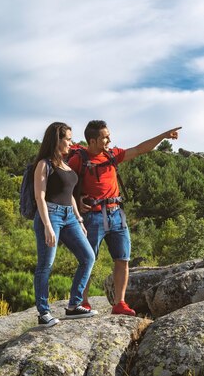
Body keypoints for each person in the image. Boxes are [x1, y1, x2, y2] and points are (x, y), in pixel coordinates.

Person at [68, 120, 181, 315]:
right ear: (92, 140)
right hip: (92, 217)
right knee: (87, 260)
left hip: (117, 214)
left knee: (123, 259)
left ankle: (119, 303)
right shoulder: (79, 159)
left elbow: (139, 150)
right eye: (105, 137)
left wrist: (162, 136)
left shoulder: (112, 154)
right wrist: (76, 201)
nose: (109, 139)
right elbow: (63, 184)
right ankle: (82, 302)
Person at [33, 122, 97, 327]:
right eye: (67, 139)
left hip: (70, 217)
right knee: (46, 264)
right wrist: (47, 226)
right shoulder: (44, 164)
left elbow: (69, 196)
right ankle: (43, 313)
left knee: (88, 257)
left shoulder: (66, 164)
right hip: (50, 215)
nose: (71, 142)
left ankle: (73, 306)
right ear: (56, 140)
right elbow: (39, 197)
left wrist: (78, 219)